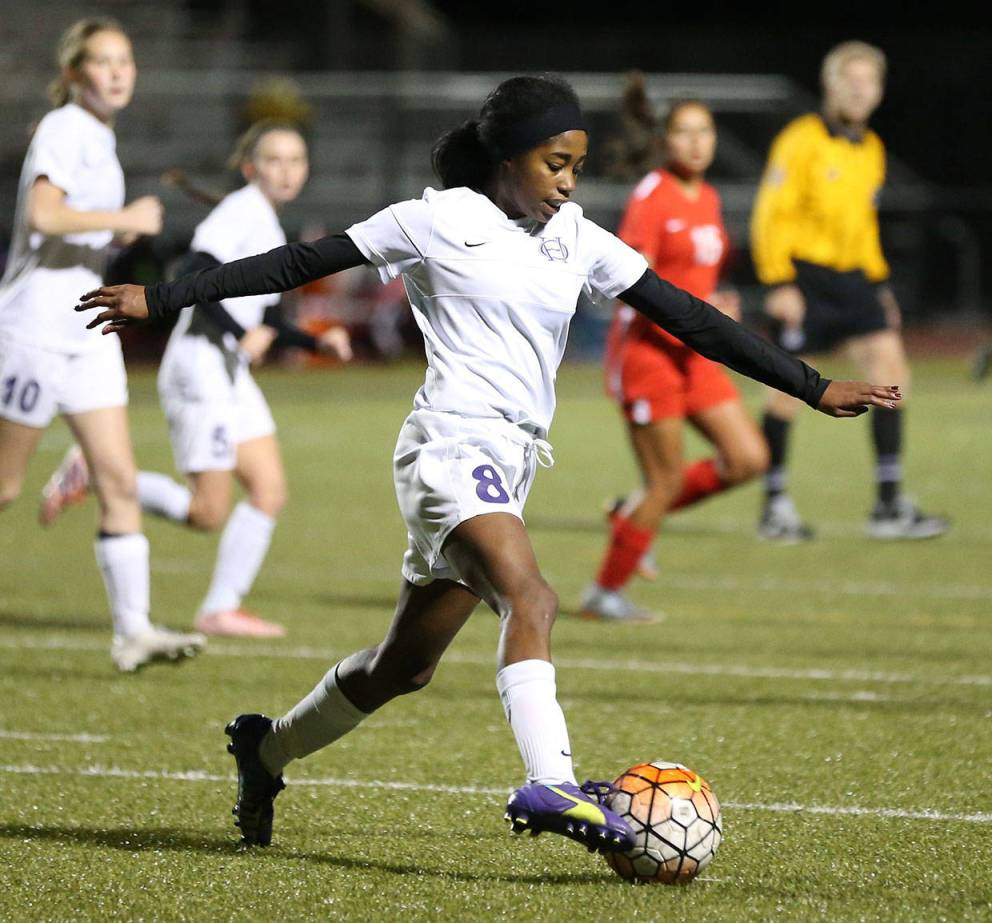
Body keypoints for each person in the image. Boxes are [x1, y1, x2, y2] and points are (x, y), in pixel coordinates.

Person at [76, 74, 900, 855]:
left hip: (510, 460)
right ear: (507, 159)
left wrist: (813, 384)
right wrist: (163, 297)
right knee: (530, 593)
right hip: (449, 446)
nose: (570, 182)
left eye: (577, 164)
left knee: (405, 666)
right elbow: (299, 263)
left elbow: (686, 315)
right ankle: (549, 783)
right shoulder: (433, 220)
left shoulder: (575, 238)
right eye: (555, 163)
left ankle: (265, 751)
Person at [41, 121, 352, 638]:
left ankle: (220, 609)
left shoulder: (268, 223)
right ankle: (98, 476)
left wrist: (313, 342)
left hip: (227, 369)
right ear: (251, 167)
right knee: (209, 511)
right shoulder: (241, 211)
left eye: (295, 160)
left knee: (269, 490)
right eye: (274, 159)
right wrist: (236, 333)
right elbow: (196, 269)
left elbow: (263, 317)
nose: (286, 170)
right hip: (199, 369)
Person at [0, 17, 204, 672]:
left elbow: (72, 231)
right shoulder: (66, 128)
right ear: (72, 74)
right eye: (103, 60)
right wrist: (125, 220)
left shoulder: (96, 136)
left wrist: (118, 239)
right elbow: (43, 214)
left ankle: (134, 630)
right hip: (34, 329)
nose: (118, 71)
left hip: (85, 329)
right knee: (3, 485)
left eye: (126, 60)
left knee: (116, 477)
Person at [580, 84, 768, 623]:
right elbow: (633, 280)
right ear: (664, 141)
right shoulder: (653, 195)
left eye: (704, 132)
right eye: (684, 132)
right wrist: (701, 305)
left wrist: (716, 302)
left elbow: (696, 278)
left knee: (748, 458)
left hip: (694, 351)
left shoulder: (705, 197)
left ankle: (632, 515)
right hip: (649, 353)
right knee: (664, 480)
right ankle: (603, 594)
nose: (696, 142)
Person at [751, 40, 948, 542]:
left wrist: (880, 286)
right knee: (785, 391)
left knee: (892, 375)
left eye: (870, 83)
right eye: (851, 81)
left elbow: (863, 227)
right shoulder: (800, 140)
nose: (861, 91)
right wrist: (778, 281)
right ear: (830, 86)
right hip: (805, 278)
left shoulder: (872, 149)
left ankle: (888, 505)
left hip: (855, 282)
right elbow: (771, 214)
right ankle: (774, 507)